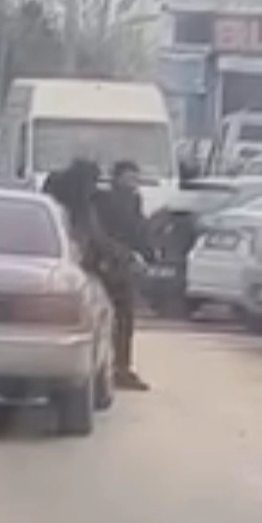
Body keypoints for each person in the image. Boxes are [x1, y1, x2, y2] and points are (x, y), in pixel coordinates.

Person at [93, 160, 154, 392]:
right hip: (105, 264)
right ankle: (102, 368)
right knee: (104, 318)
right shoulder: (103, 200)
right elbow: (101, 233)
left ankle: (121, 367)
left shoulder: (134, 200)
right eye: (129, 178)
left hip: (124, 266)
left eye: (135, 178)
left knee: (125, 320)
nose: (133, 183)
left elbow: (138, 230)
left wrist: (147, 254)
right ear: (117, 178)